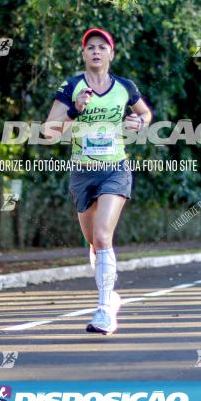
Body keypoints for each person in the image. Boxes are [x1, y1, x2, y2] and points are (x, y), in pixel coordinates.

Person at [43, 27, 152, 335]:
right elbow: (49, 131)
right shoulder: (71, 86)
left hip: (115, 169)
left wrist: (138, 122)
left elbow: (145, 116)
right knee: (93, 243)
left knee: (104, 236)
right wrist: (75, 112)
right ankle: (111, 295)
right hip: (81, 173)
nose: (95, 51)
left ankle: (104, 310)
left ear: (111, 54)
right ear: (83, 54)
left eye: (101, 47)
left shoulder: (125, 87)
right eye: (90, 47)